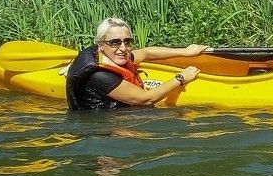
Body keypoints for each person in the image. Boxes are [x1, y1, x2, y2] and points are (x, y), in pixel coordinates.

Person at [66, 17, 209, 111]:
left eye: (127, 41)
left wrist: (185, 52)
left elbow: (147, 53)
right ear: (101, 45)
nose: (123, 48)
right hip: (104, 132)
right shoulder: (99, 76)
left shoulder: (115, 55)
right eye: (115, 42)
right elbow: (146, 99)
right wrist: (181, 78)